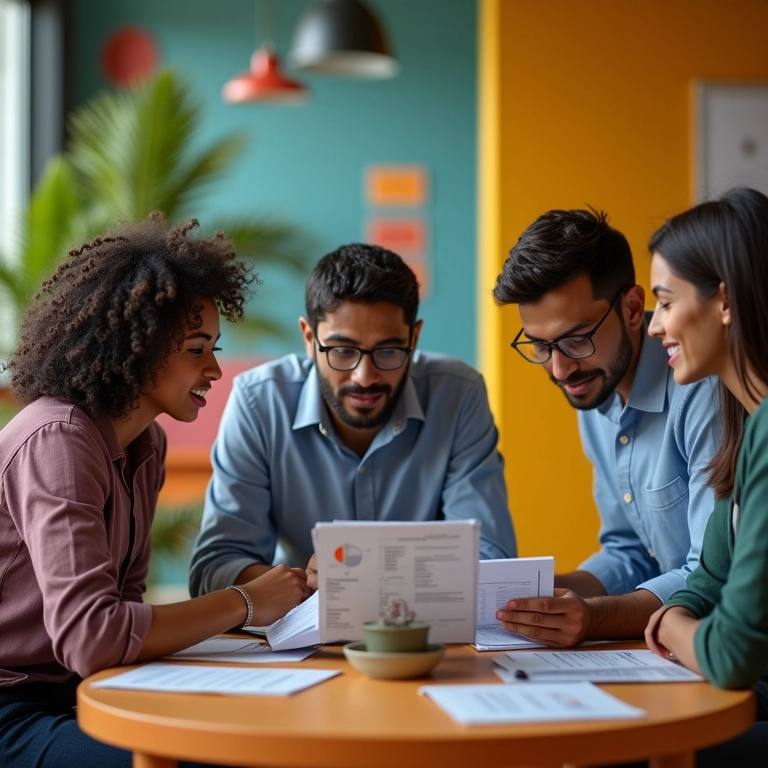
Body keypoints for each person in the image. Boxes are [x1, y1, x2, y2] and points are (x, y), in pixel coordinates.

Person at [0, 215, 308, 768]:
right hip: (13, 709)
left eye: (214, 348)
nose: (215, 370)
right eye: (196, 349)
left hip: (82, 691)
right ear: (135, 346)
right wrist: (244, 602)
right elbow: (93, 637)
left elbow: (125, 607)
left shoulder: (146, 444)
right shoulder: (57, 440)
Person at [189, 243, 517, 597]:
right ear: (310, 338)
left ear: (414, 337)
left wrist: (356, 581)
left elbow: (491, 560)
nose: (364, 377)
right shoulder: (258, 402)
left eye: (388, 351)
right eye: (343, 351)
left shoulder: (458, 394)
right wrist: (307, 585)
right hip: (306, 619)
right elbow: (215, 569)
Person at [491, 208, 719, 647]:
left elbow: (711, 575)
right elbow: (630, 552)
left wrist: (597, 618)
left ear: (632, 308)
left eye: (577, 339)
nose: (560, 369)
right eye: (540, 346)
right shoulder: (594, 389)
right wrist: (536, 596)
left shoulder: (702, 388)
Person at [640, 187, 768, 765]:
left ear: (726, 301)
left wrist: (669, 625)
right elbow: (711, 579)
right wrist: (681, 610)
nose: (654, 327)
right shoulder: (744, 421)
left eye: (665, 302)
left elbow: (732, 652)